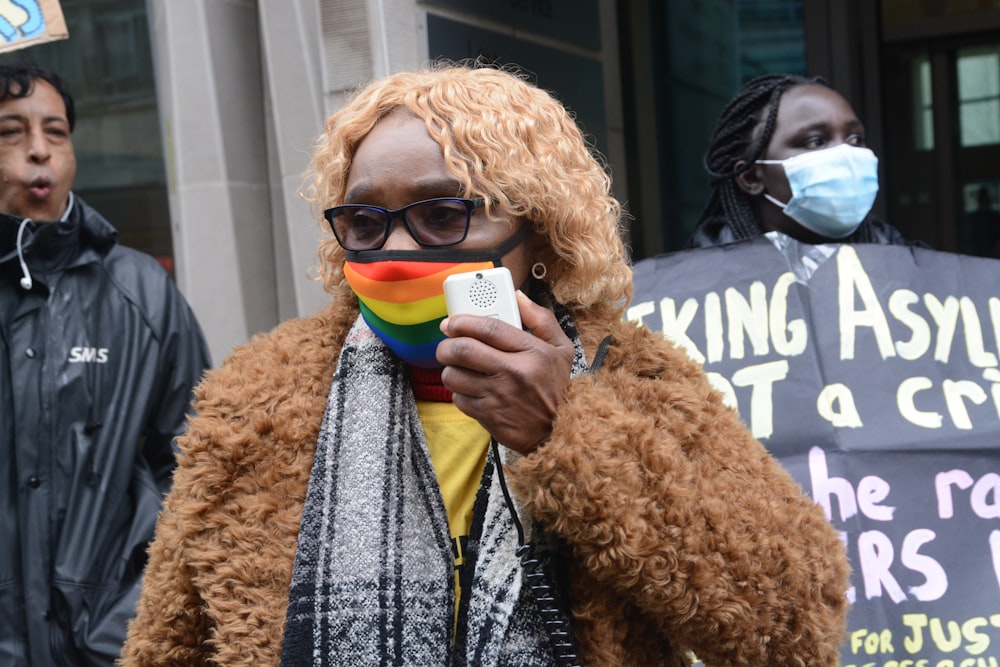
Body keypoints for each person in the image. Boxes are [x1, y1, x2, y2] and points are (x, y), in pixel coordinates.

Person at [121, 63, 849, 666]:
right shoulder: (257, 399)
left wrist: (568, 435)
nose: (399, 250)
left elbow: (794, 627)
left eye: (444, 215)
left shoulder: (638, 380)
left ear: (540, 237)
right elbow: (167, 645)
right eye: (367, 222)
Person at [0, 62, 210, 665]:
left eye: (56, 131)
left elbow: (195, 465)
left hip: (112, 643)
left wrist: (138, 614)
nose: (39, 151)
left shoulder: (140, 290)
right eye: (11, 131)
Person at [688, 73, 910, 248]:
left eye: (855, 139)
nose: (846, 154)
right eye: (816, 142)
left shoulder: (905, 267)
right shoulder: (697, 291)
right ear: (751, 177)